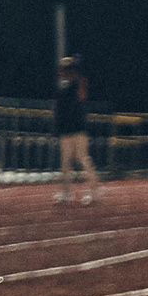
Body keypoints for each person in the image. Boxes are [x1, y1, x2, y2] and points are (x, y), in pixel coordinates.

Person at [52, 55, 94, 203]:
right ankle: (65, 193)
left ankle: (93, 191)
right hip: (66, 130)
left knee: (83, 159)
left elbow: (82, 97)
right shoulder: (62, 87)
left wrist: (78, 76)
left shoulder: (79, 84)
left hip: (78, 129)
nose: (64, 73)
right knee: (65, 162)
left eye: (66, 70)